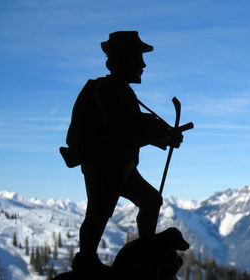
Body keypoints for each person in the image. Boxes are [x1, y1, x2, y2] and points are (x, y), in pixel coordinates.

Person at [63, 31, 183, 273]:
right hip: (103, 167)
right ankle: (86, 259)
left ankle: (145, 250)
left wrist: (163, 136)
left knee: (150, 201)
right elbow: (126, 125)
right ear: (121, 60)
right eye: (138, 57)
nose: (143, 64)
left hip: (122, 166)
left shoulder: (124, 92)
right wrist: (160, 131)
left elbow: (133, 126)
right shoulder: (105, 90)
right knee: (98, 213)